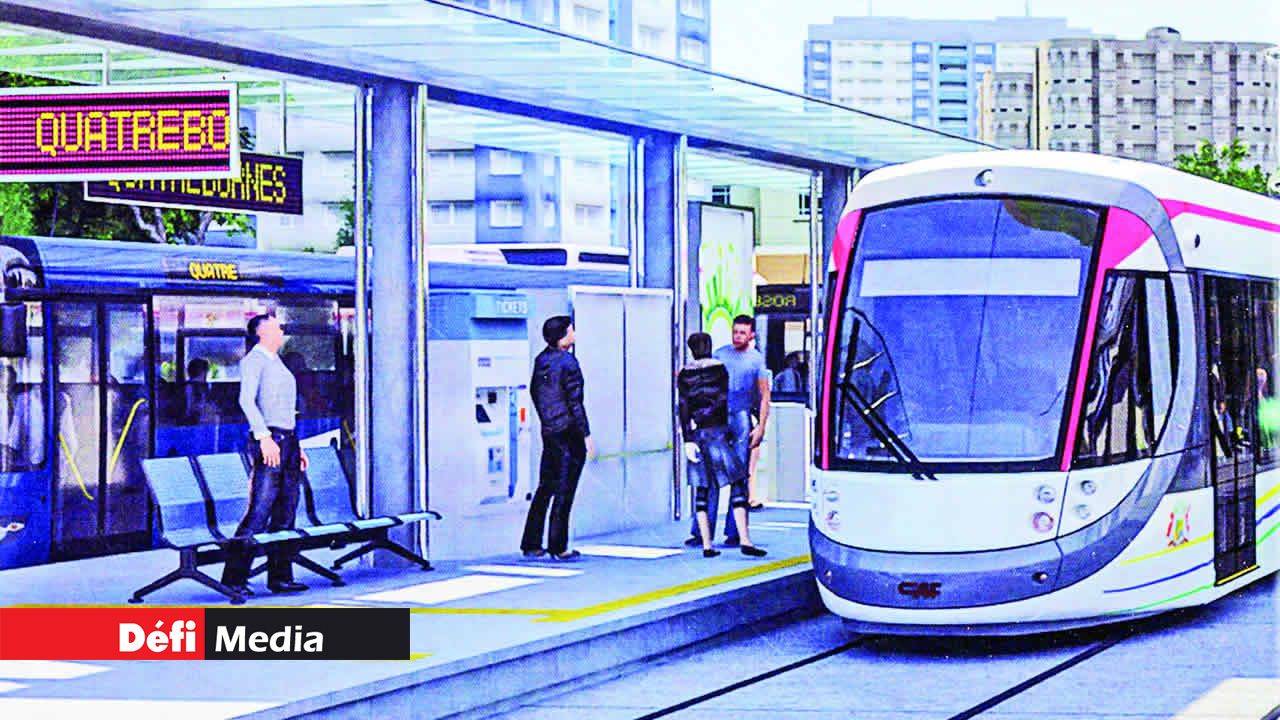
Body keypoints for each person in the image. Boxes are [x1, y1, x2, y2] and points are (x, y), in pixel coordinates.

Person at [220, 314, 309, 595]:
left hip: (288, 440)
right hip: (270, 439)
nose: (281, 330)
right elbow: (246, 400)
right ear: (262, 332)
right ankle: (234, 578)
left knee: (286, 509)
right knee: (260, 509)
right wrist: (264, 437)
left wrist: (297, 446)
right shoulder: (254, 361)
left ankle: (280, 577)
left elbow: (285, 408)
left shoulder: (275, 360)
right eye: (276, 327)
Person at [685, 315, 771, 547]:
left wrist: (761, 427)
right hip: (717, 419)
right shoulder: (720, 355)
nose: (738, 336)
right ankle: (701, 532)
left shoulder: (756, 360)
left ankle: (735, 533)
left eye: (743, 332)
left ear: (751, 335)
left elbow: (765, 395)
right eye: (735, 332)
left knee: (739, 475)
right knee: (709, 474)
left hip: (741, 417)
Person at [521, 316, 594, 561]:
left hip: (550, 431)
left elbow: (535, 392)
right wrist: (585, 433)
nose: (575, 334)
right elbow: (575, 401)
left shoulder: (541, 360)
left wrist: (548, 420)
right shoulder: (568, 362)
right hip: (569, 432)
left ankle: (531, 542)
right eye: (571, 330)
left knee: (546, 487)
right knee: (565, 490)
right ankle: (558, 546)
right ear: (563, 336)